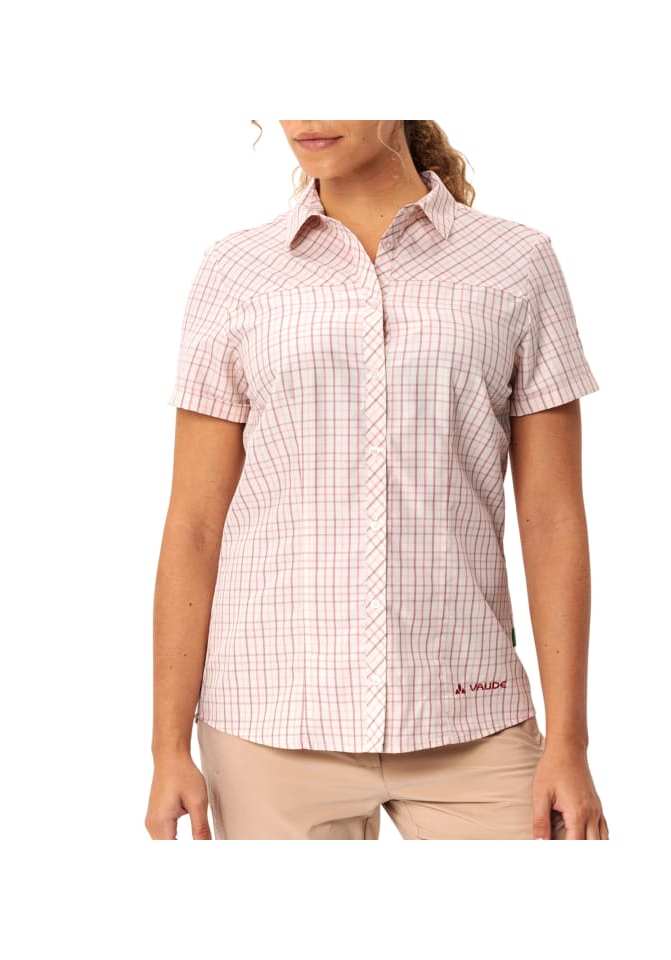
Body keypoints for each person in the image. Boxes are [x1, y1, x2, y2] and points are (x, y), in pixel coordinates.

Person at [145, 120, 609, 840]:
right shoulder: (236, 270)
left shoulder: (516, 262)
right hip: (269, 726)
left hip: (471, 714)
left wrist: (569, 744)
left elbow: (552, 518)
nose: (306, 116)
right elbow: (195, 523)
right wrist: (167, 746)